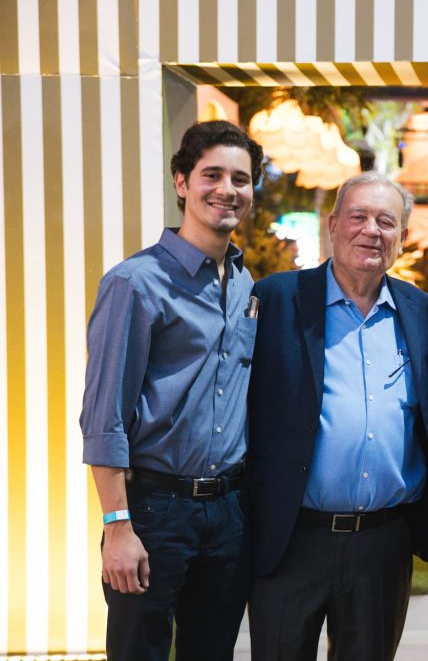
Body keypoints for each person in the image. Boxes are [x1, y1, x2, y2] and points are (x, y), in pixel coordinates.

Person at [80, 120, 263, 660]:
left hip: (229, 512)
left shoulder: (245, 284)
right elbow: (104, 416)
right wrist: (117, 526)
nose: (227, 190)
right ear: (182, 182)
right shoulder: (134, 283)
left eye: (240, 179)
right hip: (154, 511)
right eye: (212, 175)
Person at [247, 171, 428, 660]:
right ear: (333, 225)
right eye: (358, 217)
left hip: (383, 544)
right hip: (292, 538)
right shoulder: (276, 299)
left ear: (401, 237)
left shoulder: (419, 310)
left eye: (386, 221)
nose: (371, 231)